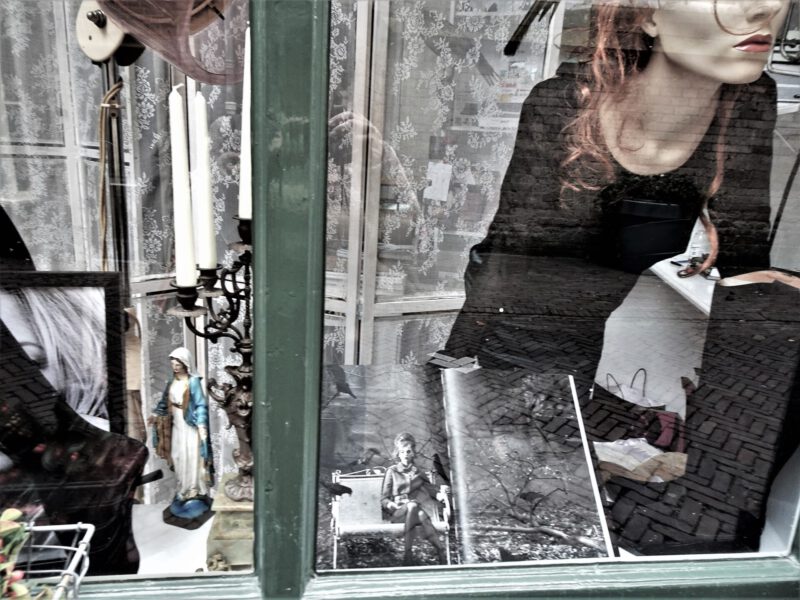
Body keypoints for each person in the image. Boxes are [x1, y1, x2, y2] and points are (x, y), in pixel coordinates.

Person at [444, 0, 797, 554]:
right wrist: (453, 360)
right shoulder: (563, 107)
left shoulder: (750, 98)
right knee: (513, 461)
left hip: (590, 317)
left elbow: (745, 252)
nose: (766, 8)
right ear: (649, 16)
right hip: (527, 319)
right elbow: (507, 254)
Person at [150, 347, 214, 527]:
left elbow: (200, 405)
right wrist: (156, 414)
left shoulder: (193, 382)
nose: (175, 366)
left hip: (190, 426)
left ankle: (193, 492)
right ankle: (182, 489)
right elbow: (165, 401)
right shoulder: (172, 381)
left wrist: (201, 425)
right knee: (178, 456)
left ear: (186, 364)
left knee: (191, 457)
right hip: (176, 424)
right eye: (173, 363)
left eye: (178, 364)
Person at [381, 432, 448, 565]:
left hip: (413, 512)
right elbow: (384, 499)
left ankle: (439, 552)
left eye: (408, 451)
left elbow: (431, 490)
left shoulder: (418, 472)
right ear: (398, 454)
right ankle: (411, 553)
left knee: (420, 513)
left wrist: (441, 495)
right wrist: (391, 505)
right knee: (414, 507)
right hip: (397, 512)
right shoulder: (392, 471)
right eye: (402, 452)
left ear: (413, 453)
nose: (405, 454)